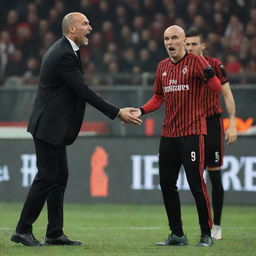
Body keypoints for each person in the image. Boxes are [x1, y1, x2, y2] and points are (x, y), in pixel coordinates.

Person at [10, 12, 142, 247]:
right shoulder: (63, 54)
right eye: (85, 24)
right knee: (47, 177)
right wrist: (116, 111)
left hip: (54, 127)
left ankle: (54, 233)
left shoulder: (66, 50)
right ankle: (23, 229)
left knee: (59, 178)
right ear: (72, 29)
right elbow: (83, 90)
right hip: (48, 126)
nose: (90, 28)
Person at [133, 25, 222, 247]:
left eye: (174, 38)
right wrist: (141, 110)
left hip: (192, 132)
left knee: (196, 184)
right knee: (166, 184)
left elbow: (216, 87)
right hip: (169, 134)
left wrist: (209, 70)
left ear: (183, 41)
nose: (170, 42)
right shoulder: (162, 66)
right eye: (166, 39)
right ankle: (177, 234)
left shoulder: (197, 62)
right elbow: (157, 98)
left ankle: (206, 234)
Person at [185, 29, 237, 240]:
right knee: (196, 178)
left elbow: (226, 93)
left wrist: (232, 124)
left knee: (214, 175)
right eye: (187, 44)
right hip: (192, 124)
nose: (190, 48)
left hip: (213, 123)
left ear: (203, 45)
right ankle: (204, 223)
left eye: (194, 44)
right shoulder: (182, 67)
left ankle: (217, 225)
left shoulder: (215, 65)